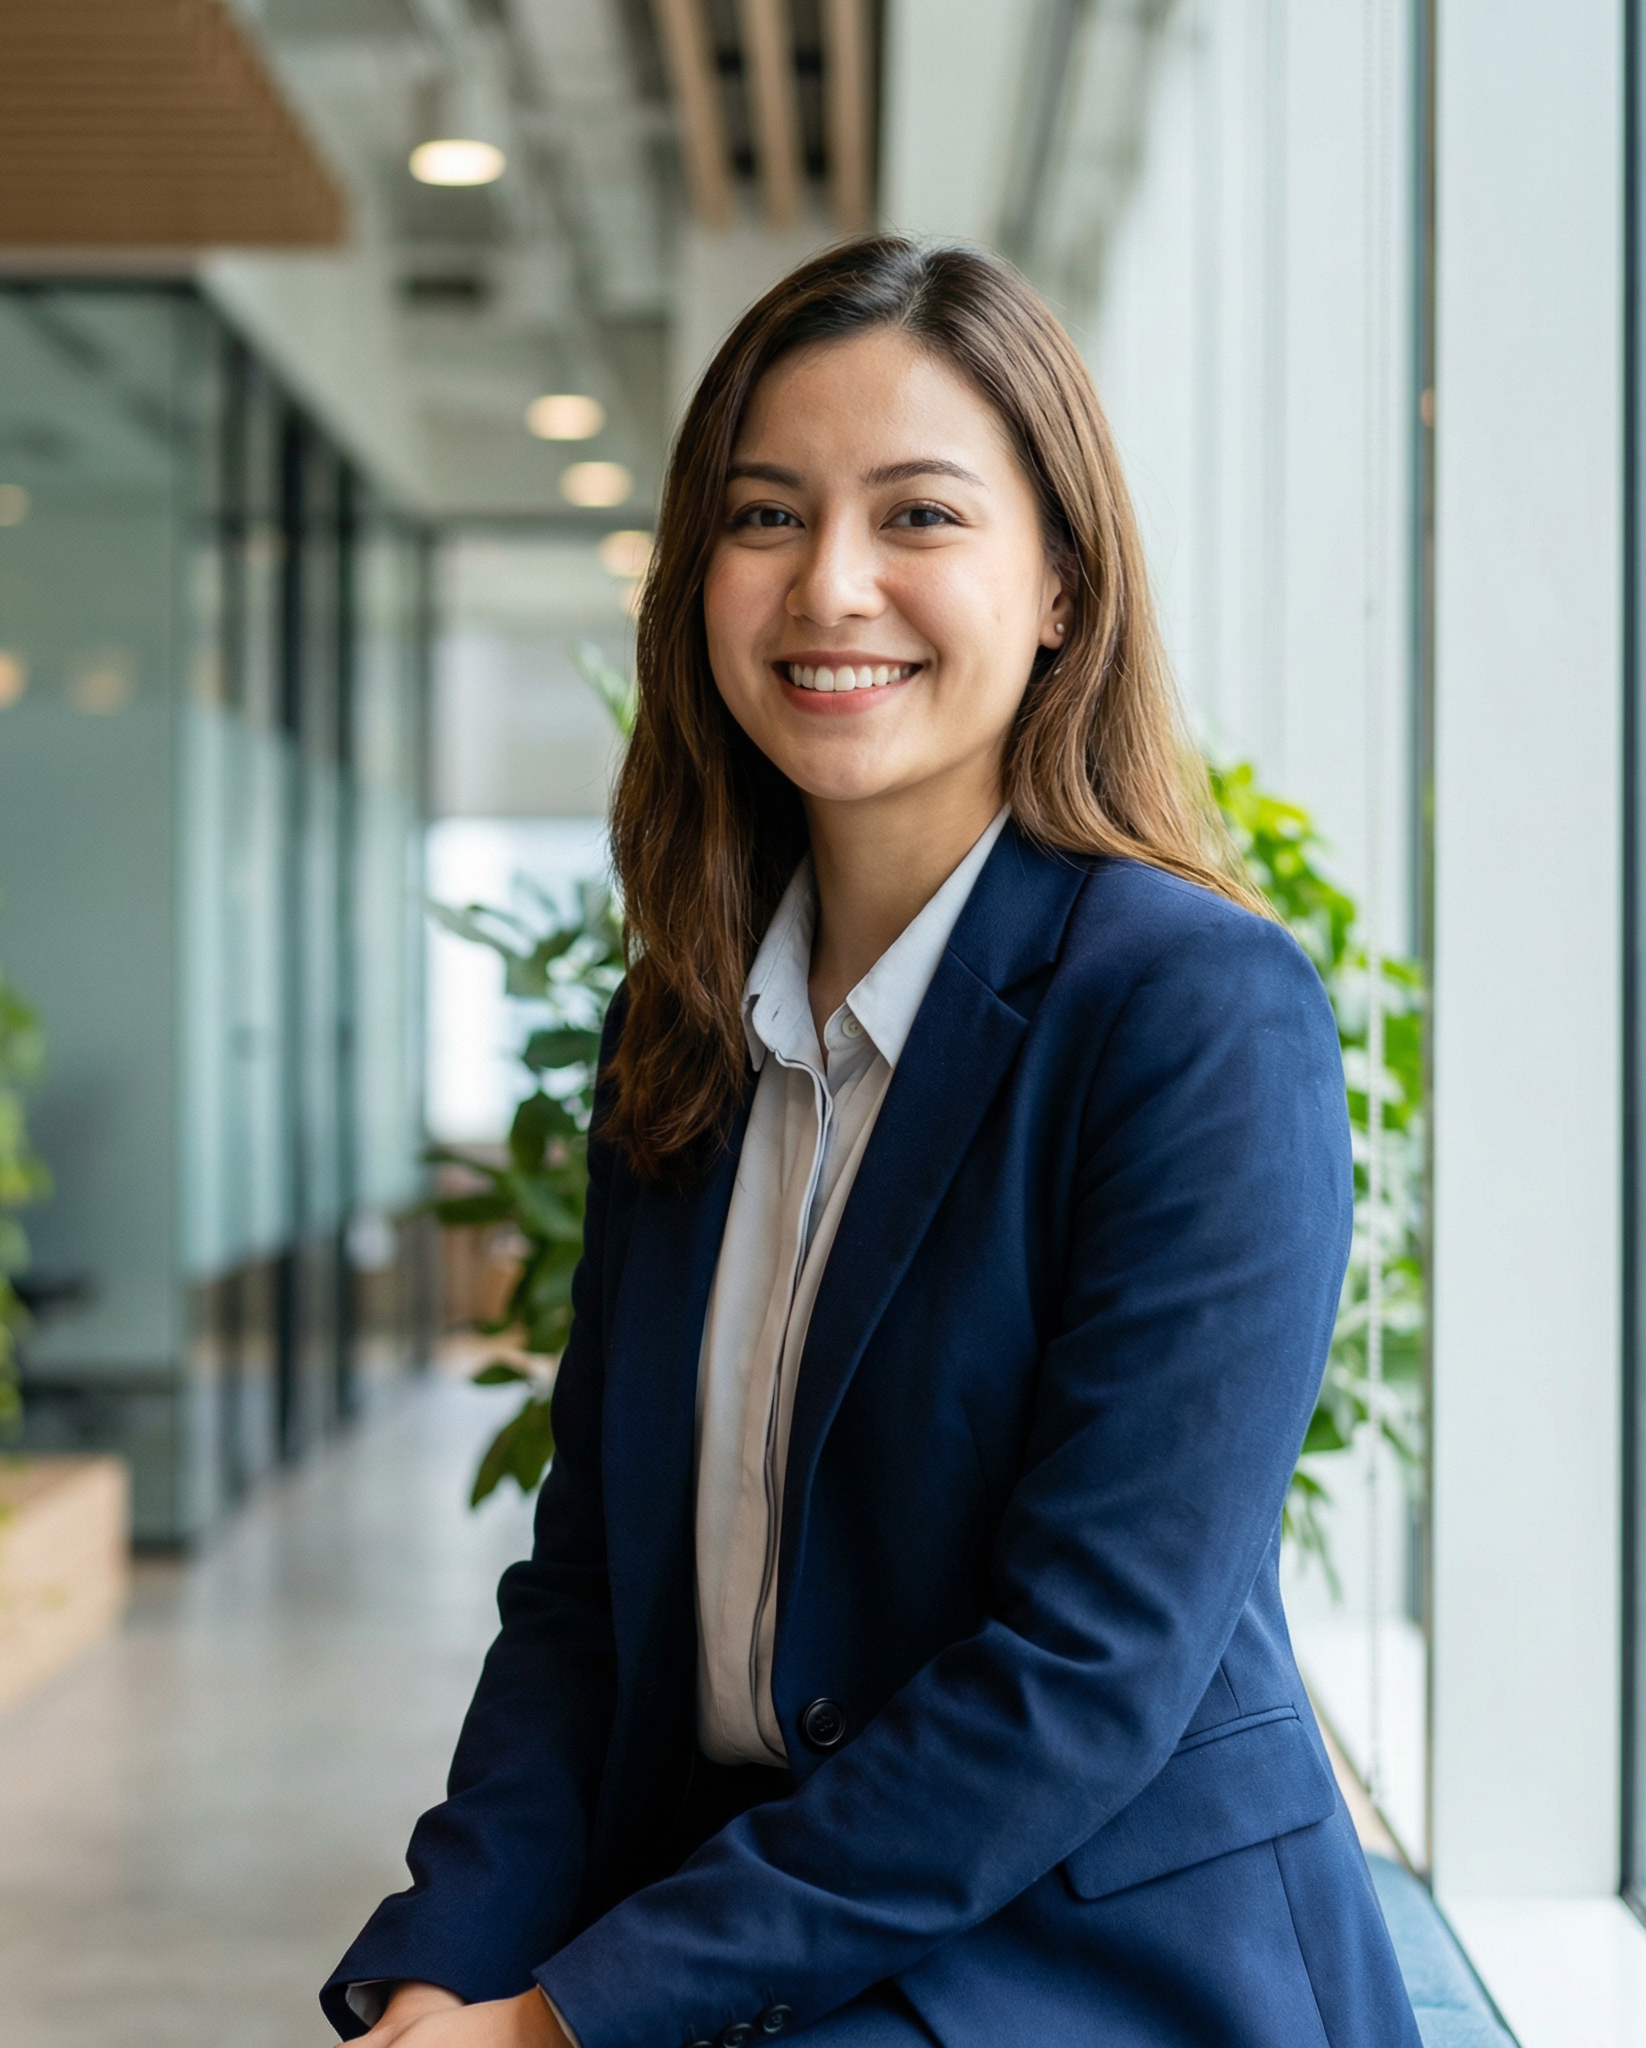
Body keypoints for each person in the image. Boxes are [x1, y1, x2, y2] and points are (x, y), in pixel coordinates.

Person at [323, 236, 1421, 2048]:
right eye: (766, 517)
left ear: (1062, 586)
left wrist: (558, 2026)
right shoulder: (677, 1029)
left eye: (920, 517)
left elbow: (1084, 1675)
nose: (831, 587)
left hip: (1087, 1962)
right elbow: (592, 1589)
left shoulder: (1194, 1015)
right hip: (751, 1911)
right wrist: (445, 1965)